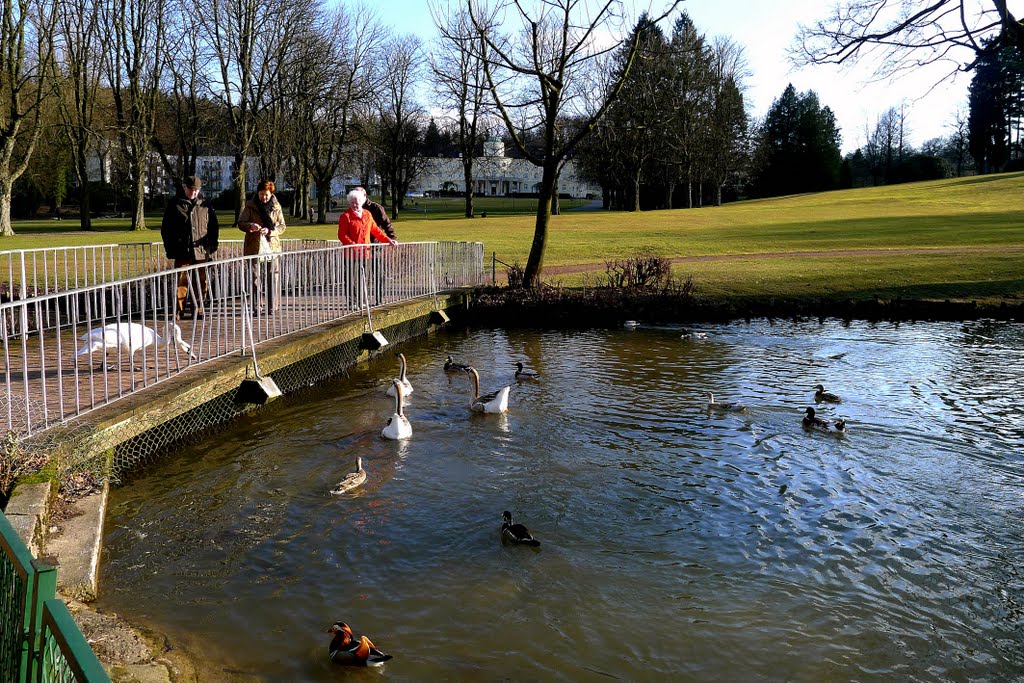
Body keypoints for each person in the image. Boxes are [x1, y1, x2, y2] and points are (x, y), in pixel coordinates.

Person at [161, 175, 219, 320]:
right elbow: (166, 229)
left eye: (196, 190)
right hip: (182, 250)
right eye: (191, 190)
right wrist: (171, 248)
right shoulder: (174, 204)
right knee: (182, 281)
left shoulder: (205, 204)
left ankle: (198, 309)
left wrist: (212, 245)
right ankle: (179, 310)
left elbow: (213, 226)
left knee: (201, 281)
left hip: (201, 249)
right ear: (184, 187)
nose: (194, 193)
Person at [337, 188, 397, 308]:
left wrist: (388, 240)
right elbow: (342, 235)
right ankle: (352, 302)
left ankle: (361, 301)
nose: (354, 204)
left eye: (357, 202)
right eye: (352, 202)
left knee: (363, 278)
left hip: (366, 253)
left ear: (362, 201)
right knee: (350, 278)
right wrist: (353, 245)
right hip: (351, 254)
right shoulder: (346, 216)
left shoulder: (367, 214)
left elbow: (376, 230)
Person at [237, 179, 287, 315]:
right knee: (254, 277)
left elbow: (282, 226)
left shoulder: (276, 206)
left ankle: (272, 306)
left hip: (272, 247)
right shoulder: (251, 205)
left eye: (266, 194)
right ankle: (256, 306)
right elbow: (241, 223)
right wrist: (250, 226)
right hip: (254, 246)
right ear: (257, 193)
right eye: (261, 194)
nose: (264, 197)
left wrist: (271, 231)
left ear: (271, 194)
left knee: (273, 276)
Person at [355, 186, 396, 304]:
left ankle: (379, 299)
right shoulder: (355, 208)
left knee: (378, 273)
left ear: (365, 196)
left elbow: (386, 224)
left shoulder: (376, 208)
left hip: (374, 247)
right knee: (361, 274)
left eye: (359, 196)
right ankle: (360, 300)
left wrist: (391, 238)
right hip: (359, 248)